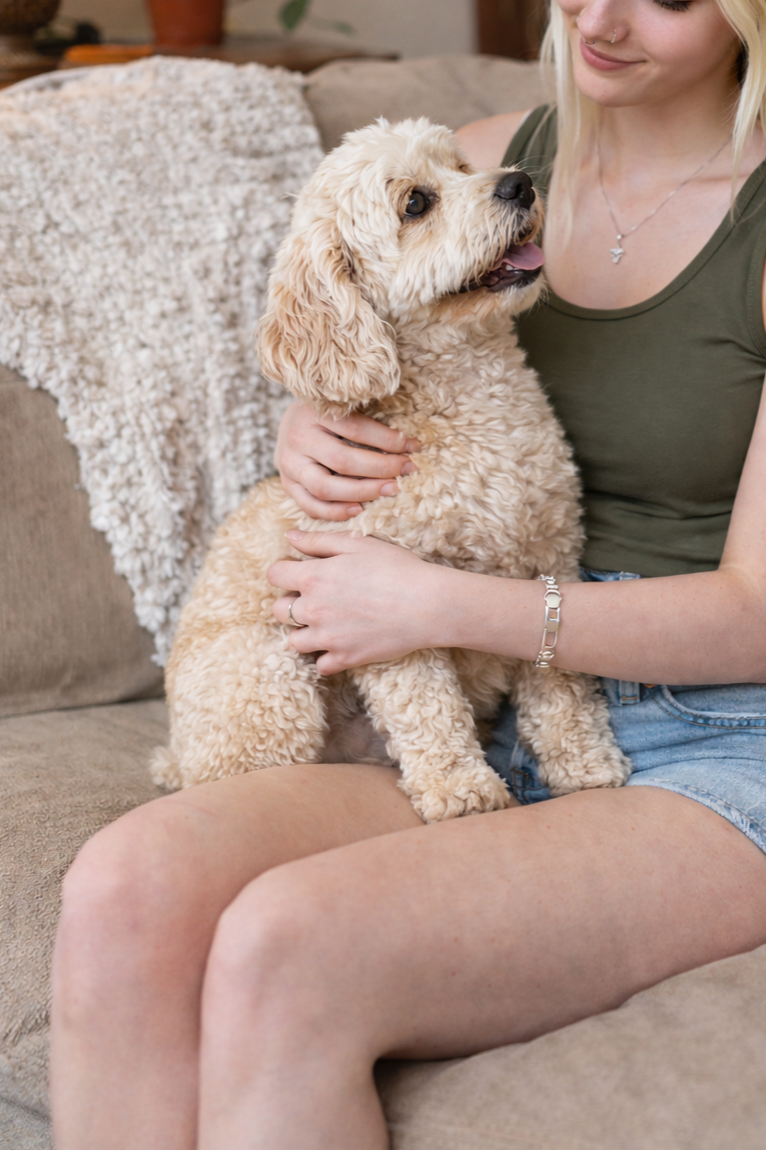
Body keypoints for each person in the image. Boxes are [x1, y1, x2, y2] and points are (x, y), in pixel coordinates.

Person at [50, 0, 766, 1146]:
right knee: (120, 894)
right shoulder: (481, 159)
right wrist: (316, 421)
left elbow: (758, 616)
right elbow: (351, 308)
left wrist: (437, 604)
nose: (602, 16)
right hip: (460, 698)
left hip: (716, 736)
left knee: (286, 950)